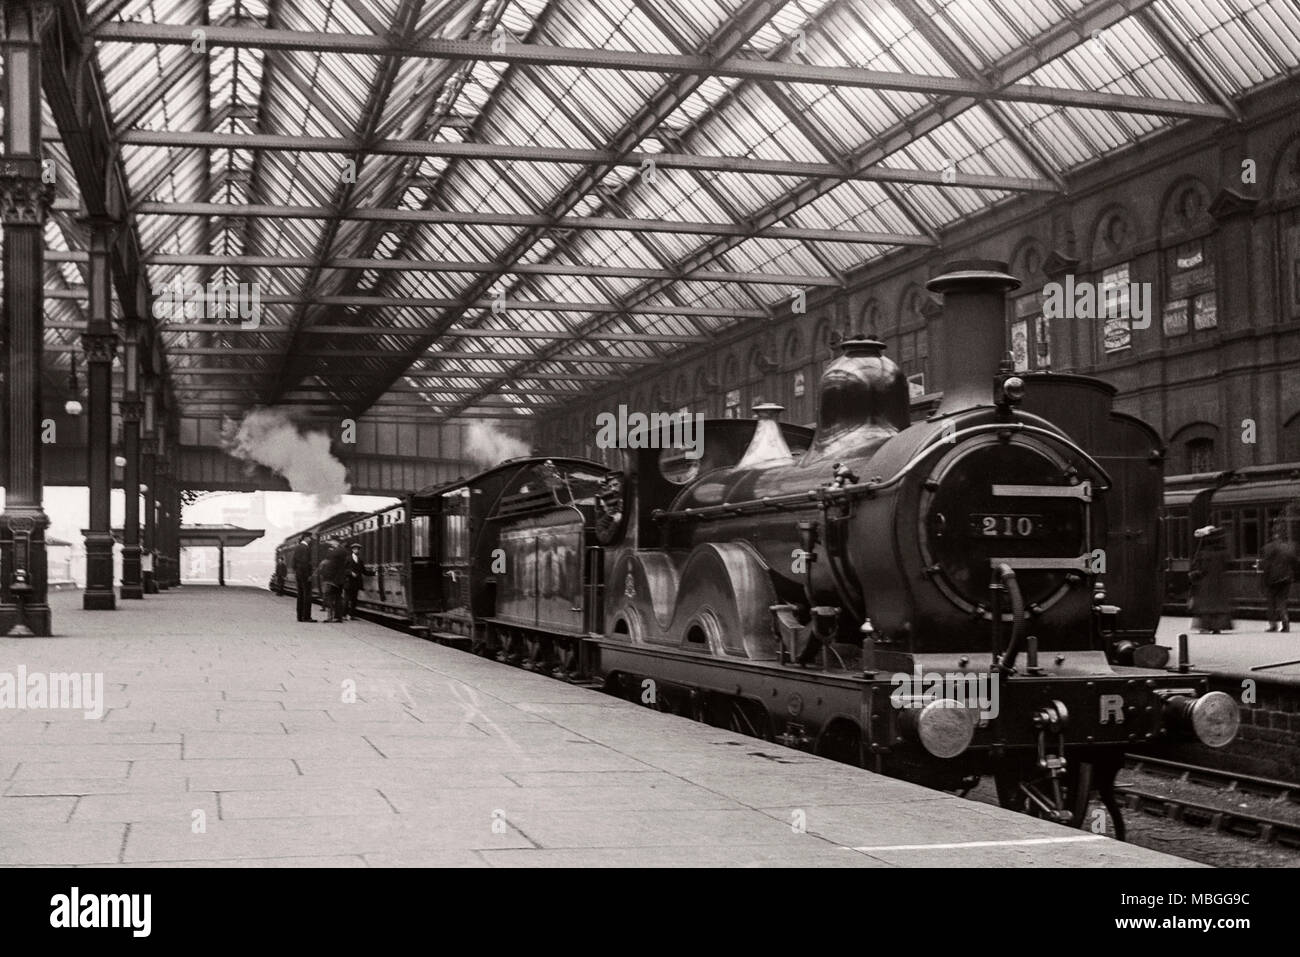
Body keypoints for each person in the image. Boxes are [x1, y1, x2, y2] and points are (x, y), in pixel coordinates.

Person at [1189, 525, 1232, 634]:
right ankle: (1217, 627)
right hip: (1221, 583)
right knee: (1219, 606)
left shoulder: (1204, 553)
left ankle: (1206, 626)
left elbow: (1201, 569)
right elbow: (1228, 565)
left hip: (1207, 583)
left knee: (1206, 606)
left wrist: (1194, 574)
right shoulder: (1223, 553)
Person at [1257, 522, 1296, 633]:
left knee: (1271, 603)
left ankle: (1273, 625)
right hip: (1286, 579)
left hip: (1272, 580)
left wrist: (1263, 581)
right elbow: (1294, 563)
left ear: (1273, 534)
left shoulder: (1268, 548)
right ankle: (1285, 623)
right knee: (1282, 602)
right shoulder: (1289, 547)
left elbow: (1266, 566)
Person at [316, 546, 347, 623]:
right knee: (337, 599)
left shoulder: (326, 562)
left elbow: (321, 572)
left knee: (330, 599)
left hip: (330, 582)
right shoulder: (340, 563)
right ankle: (338, 617)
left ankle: (331, 617)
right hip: (336, 582)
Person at [340, 542, 370, 621]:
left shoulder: (360, 560)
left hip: (356, 583)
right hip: (348, 582)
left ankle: (351, 615)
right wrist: (350, 572)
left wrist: (374, 573)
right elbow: (343, 569)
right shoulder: (347, 558)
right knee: (346, 599)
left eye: (357, 549)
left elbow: (364, 571)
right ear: (352, 550)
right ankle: (344, 614)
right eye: (355, 549)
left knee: (354, 600)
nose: (356, 550)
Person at [292, 534, 316, 622]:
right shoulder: (305, 548)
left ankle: (300, 616)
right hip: (305, 575)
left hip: (299, 574)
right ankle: (306, 617)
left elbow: (294, 563)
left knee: (300, 595)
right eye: (310, 538)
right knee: (307, 595)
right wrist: (308, 575)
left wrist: (297, 572)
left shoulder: (298, 548)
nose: (311, 539)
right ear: (306, 538)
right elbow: (305, 563)